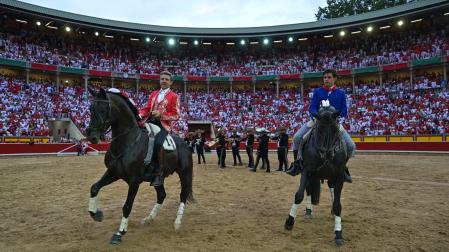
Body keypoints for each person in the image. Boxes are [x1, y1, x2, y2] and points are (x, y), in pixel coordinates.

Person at [291, 69, 355, 182]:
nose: (326, 79)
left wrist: (335, 116)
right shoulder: (318, 92)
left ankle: (342, 168)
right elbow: (312, 108)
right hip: (317, 122)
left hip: (334, 124)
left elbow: (344, 110)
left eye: (329, 77)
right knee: (296, 138)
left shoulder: (341, 93)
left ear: (335, 78)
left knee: (351, 146)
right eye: (325, 77)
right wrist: (318, 116)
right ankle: (298, 164)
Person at [138, 70, 180, 186]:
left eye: (166, 79)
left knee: (157, 143)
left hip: (163, 125)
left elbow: (176, 115)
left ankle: (159, 173)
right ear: (159, 80)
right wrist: (140, 114)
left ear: (171, 82)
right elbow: (147, 108)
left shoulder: (174, 96)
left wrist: (161, 115)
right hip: (149, 121)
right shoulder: (154, 94)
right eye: (162, 79)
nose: (164, 81)